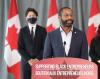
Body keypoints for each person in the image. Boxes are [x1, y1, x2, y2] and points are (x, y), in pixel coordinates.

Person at [18, 8, 47, 79]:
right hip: (26, 62)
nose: (31, 17)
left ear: (36, 17)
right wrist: (29, 60)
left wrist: (37, 59)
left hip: (39, 62)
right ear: (26, 18)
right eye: (29, 15)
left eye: (33, 15)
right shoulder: (22, 31)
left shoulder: (42, 30)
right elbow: (20, 48)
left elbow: (45, 47)